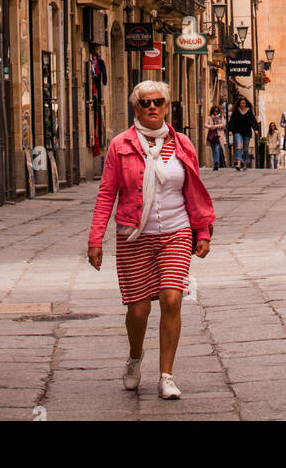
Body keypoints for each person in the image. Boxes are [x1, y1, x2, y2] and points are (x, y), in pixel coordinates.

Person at [87, 80, 215, 400]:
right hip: (133, 235)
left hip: (176, 232)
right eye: (146, 103)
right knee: (139, 311)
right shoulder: (120, 145)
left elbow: (194, 192)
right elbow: (106, 194)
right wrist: (96, 239)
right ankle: (134, 357)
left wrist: (201, 232)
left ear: (167, 106)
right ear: (136, 109)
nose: (153, 107)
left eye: (158, 101)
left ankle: (166, 375)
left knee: (172, 299)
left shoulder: (183, 144)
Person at [227, 96, 259, 170]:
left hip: (247, 132)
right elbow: (232, 121)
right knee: (238, 146)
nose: (242, 104)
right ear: (239, 104)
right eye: (241, 103)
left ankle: (245, 163)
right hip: (238, 131)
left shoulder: (249, 111)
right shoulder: (236, 111)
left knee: (245, 149)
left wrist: (256, 129)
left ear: (246, 104)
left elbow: (253, 120)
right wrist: (230, 130)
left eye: (244, 103)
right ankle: (238, 163)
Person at [205, 102, 228, 170]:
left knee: (217, 149)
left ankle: (216, 163)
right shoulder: (209, 117)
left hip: (219, 135)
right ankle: (215, 161)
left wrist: (216, 126)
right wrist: (210, 127)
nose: (215, 112)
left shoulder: (221, 117)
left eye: (217, 111)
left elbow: (224, 124)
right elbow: (205, 124)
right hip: (212, 136)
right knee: (213, 149)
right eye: (214, 111)